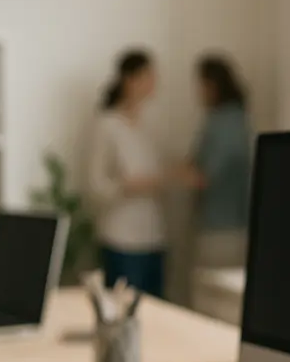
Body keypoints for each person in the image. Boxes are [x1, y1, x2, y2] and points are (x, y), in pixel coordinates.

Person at [87, 50, 169, 297]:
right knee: (123, 314)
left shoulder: (152, 125)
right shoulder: (107, 125)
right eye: (148, 77)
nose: (153, 83)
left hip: (153, 237)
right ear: (129, 80)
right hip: (121, 239)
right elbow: (96, 184)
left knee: (157, 314)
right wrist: (128, 186)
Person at [182, 55, 253, 268]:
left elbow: (204, 176)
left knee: (210, 295)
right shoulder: (237, 119)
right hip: (231, 226)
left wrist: (167, 174)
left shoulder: (223, 123)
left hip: (222, 230)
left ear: (212, 85)